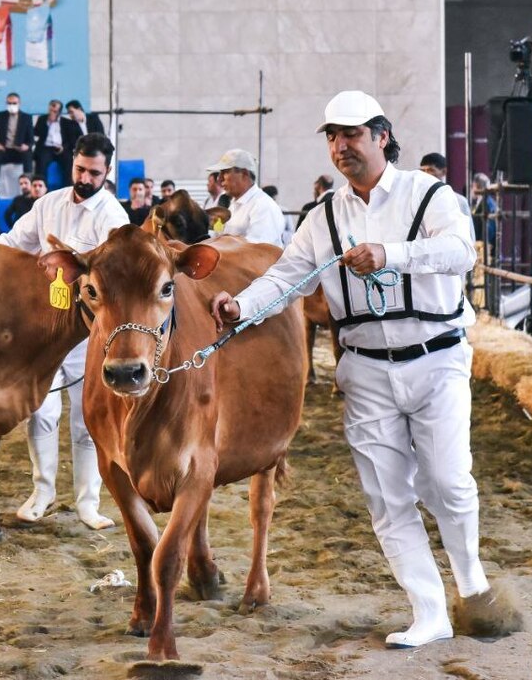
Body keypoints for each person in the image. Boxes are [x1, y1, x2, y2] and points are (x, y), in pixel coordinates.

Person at [210, 90, 498, 648]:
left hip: (437, 357)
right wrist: (240, 306)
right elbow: (288, 275)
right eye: (332, 137)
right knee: (387, 499)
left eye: (352, 134)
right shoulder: (322, 216)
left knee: (447, 481)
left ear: (381, 135)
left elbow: (461, 251)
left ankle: (472, 579)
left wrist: (391, 253)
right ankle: (430, 611)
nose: (341, 146)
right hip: (363, 367)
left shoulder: (429, 193)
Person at [0, 133, 128, 530]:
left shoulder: (114, 219)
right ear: (72, 162)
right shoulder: (47, 204)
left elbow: (117, 277)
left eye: (94, 172)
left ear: (108, 172)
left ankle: (89, 502)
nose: (85, 178)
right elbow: (10, 244)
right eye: (80, 169)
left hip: (91, 334)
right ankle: (43, 493)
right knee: (42, 412)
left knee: (88, 420)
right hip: (46, 331)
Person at [206, 148, 285, 247]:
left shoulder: (263, 206)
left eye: (225, 172)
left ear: (244, 173)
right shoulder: (233, 205)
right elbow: (217, 235)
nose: (219, 178)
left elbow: (257, 249)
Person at [0, 92, 34, 196]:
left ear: (19, 103)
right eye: (9, 103)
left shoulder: (26, 118)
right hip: (5, 150)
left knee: (28, 154)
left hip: (19, 151)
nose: (12, 105)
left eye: (14, 103)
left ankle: (28, 185)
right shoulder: (0, 116)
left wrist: (27, 146)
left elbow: (31, 139)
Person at [33, 99, 68, 184]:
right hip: (46, 147)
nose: (52, 113)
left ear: (59, 112)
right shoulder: (42, 119)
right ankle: (42, 187)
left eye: (55, 111)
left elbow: (69, 139)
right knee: (41, 161)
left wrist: (63, 148)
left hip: (61, 148)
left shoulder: (66, 122)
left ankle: (68, 186)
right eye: (51, 110)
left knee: (69, 161)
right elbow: (36, 133)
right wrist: (48, 123)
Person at [470, 173, 496, 248]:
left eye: (472, 186)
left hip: (483, 249)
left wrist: (482, 247)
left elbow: (488, 231)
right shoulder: (483, 202)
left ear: (476, 186)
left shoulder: (487, 204)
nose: (471, 190)